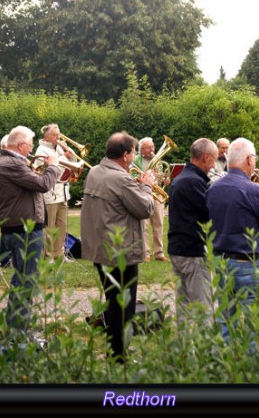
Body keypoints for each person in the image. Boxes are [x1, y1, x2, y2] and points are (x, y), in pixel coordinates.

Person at [80, 132, 155, 362]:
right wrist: (147, 186)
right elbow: (145, 209)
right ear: (125, 155)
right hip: (120, 251)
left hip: (101, 249)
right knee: (125, 307)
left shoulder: (95, 171)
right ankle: (118, 355)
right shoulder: (120, 179)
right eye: (133, 152)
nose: (133, 156)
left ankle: (116, 349)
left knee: (114, 303)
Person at [206, 137, 259, 347]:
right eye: (255, 158)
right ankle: (254, 368)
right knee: (255, 321)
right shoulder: (253, 190)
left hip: (221, 262)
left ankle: (224, 363)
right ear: (249, 159)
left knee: (225, 319)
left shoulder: (213, 188)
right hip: (248, 263)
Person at [0, 126, 59, 338]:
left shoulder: (10, 162)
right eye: (30, 146)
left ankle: (15, 325)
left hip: (21, 228)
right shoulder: (12, 163)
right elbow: (43, 184)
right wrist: (53, 166)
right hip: (24, 231)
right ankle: (18, 331)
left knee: (22, 279)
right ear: (21, 146)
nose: (31, 150)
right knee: (26, 281)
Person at [166, 138, 217, 323]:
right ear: (205, 157)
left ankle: (186, 349)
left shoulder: (181, 178)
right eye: (213, 160)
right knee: (202, 305)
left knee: (184, 306)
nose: (213, 166)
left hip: (177, 248)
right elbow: (209, 214)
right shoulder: (194, 182)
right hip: (192, 250)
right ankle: (206, 349)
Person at [35, 123, 76, 261]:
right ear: (46, 137)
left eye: (58, 134)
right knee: (50, 226)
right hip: (50, 193)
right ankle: (49, 255)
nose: (58, 137)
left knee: (62, 225)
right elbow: (51, 168)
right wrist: (64, 156)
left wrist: (70, 153)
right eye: (54, 135)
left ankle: (59, 252)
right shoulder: (41, 150)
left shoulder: (57, 148)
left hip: (63, 192)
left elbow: (74, 164)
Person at [132, 137, 169, 262]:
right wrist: (145, 176)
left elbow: (161, 177)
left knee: (158, 224)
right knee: (144, 225)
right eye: (149, 148)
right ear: (141, 150)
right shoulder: (136, 160)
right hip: (142, 194)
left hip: (156, 195)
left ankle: (159, 253)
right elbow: (133, 175)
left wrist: (165, 180)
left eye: (153, 147)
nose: (152, 150)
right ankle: (146, 253)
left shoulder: (157, 160)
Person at [0, 133, 13, 268]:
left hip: (8, 200)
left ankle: (8, 258)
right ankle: (5, 260)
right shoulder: (1, 162)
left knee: (9, 231)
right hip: (5, 201)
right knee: (6, 232)